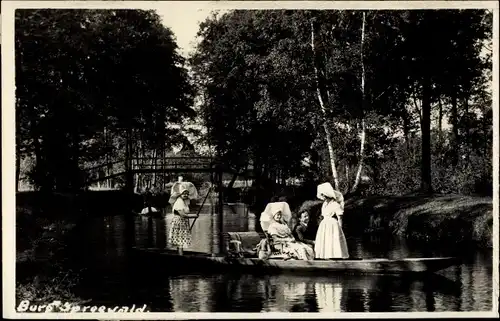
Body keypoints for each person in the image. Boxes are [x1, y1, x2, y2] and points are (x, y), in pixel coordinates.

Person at [314, 182, 349, 259]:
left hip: (332, 224)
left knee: (333, 240)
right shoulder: (324, 204)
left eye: (323, 194)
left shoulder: (335, 204)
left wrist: (340, 229)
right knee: (325, 240)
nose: (322, 196)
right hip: (324, 224)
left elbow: (340, 217)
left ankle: (335, 256)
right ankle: (325, 257)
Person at [168, 187, 192, 255]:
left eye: (187, 194)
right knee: (180, 240)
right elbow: (182, 214)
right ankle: (181, 256)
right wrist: (194, 216)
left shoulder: (184, 202)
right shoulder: (179, 201)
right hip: (179, 222)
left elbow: (186, 212)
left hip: (183, 222)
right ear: (180, 194)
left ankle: (179, 254)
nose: (186, 195)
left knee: (180, 240)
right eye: (184, 194)